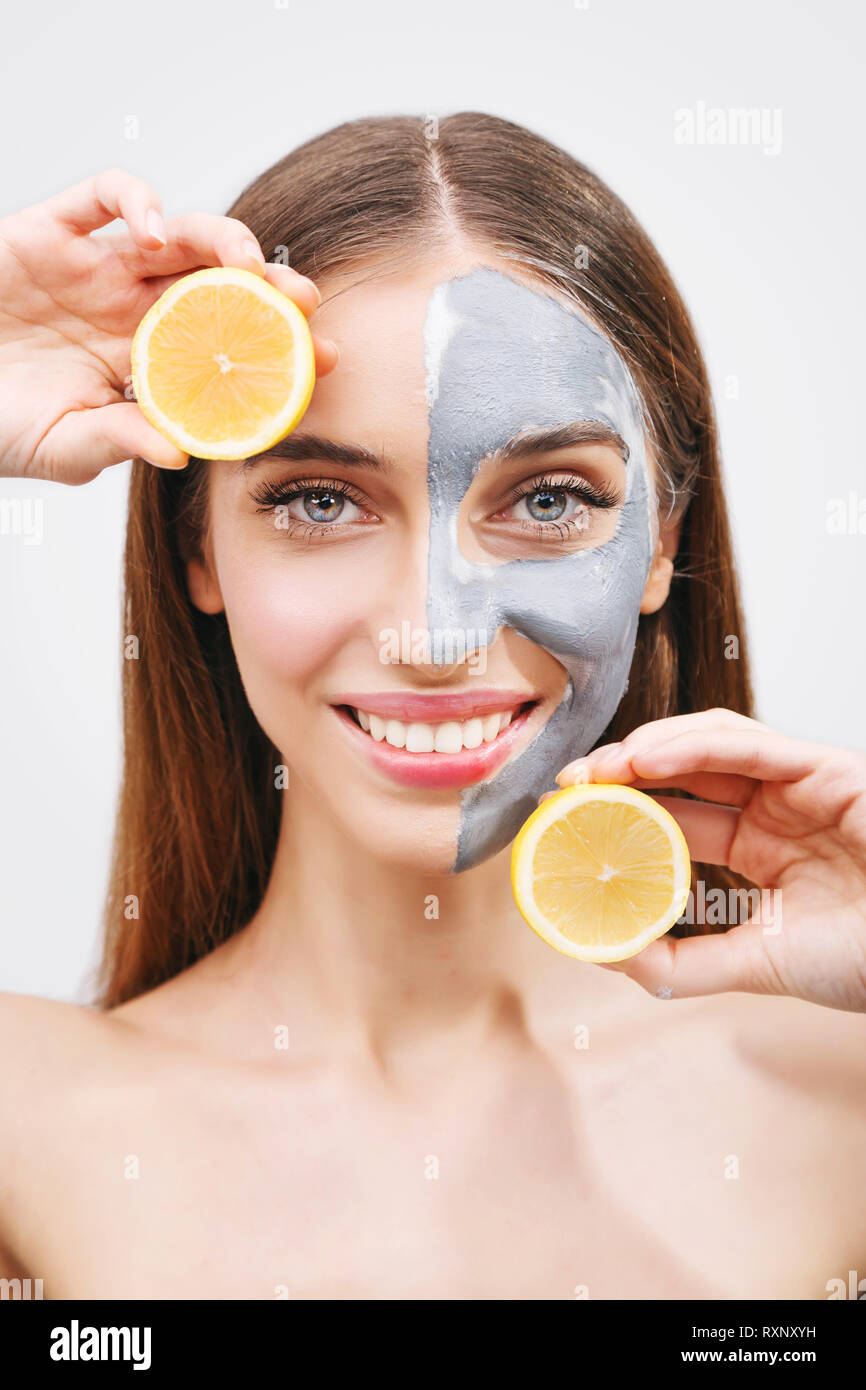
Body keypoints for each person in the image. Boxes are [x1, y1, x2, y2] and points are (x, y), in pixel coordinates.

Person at [1, 113, 864, 1301]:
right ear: (198, 548)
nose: (433, 627)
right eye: (316, 501)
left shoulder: (842, 1107)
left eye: (549, 497)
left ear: (661, 539)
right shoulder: (28, 1126)